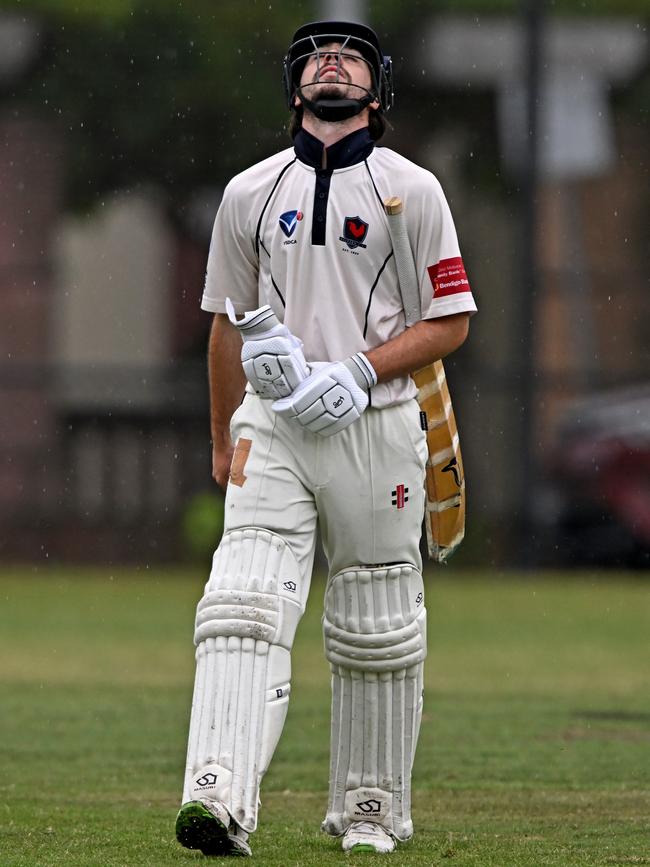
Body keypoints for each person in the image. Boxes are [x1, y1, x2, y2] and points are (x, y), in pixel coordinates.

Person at [175, 20, 477, 857]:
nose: (330, 61)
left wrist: (358, 370)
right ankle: (218, 798)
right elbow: (225, 327)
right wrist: (221, 437)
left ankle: (372, 807)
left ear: (376, 91)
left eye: (348, 54)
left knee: (376, 620)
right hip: (271, 429)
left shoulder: (412, 189)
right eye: (315, 54)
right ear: (294, 87)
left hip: (375, 426)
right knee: (240, 605)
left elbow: (449, 321)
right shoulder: (249, 193)